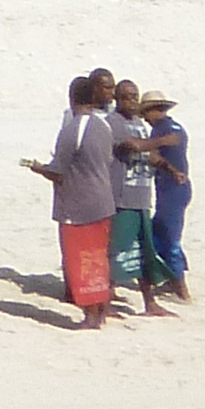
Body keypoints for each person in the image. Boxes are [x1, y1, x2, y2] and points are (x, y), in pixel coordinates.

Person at [25, 71, 120, 327]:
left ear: (72, 99)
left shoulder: (73, 128)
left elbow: (58, 171)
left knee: (80, 259)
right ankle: (100, 311)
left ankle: (89, 316)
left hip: (79, 205)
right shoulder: (104, 126)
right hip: (103, 200)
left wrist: (37, 167)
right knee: (99, 258)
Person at [109, 80, 174, 317]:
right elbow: (131, 146)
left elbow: (147, 152)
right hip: (122, 198)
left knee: (145, 253)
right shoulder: (112, 123)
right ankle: (105, 301)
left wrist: (169, 168)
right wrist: (162, 141)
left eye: (135, 96)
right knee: (117, 252)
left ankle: (150, 303)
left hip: (142, 196)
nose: (132, 101)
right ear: (116, 98)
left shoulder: (138, 123)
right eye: (126, 97)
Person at [143, 91, 193, 301]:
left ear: (154, 110)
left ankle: (180, 289)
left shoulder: (160, 131)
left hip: (171, 189)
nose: (144, 118)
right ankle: (171, 275)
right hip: (179, 189)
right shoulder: (177, 127)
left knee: (169, 238)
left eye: (145, 112)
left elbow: (152, 156)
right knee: (158, 234)